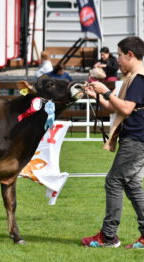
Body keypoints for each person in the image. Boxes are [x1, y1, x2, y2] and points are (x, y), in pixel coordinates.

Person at [82, 36, 144, 248]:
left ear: (130, 55)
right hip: (135, 138)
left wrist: (106, 91)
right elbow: (115, 107)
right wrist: (98, 96)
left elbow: (126, 109)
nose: (116, 60)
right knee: (132, 184)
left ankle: (108, 237)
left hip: (137, 140)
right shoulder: (133, 77)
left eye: (119, 55)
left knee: (113, 181)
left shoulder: (139, 78)